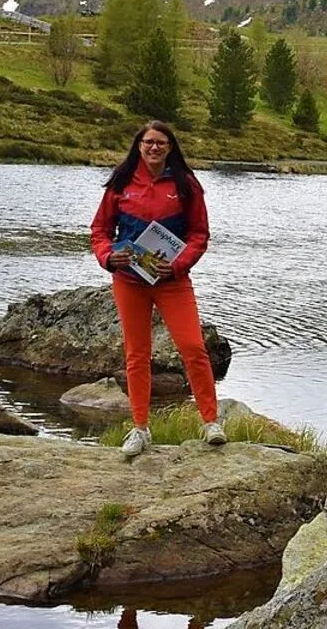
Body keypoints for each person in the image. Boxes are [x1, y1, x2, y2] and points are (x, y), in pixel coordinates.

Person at [91, 121, 225, 456]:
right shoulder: (121, 182)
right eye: (148, 142)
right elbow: (100, 230)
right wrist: (108, 257)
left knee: (193, 347)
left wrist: (178, 264)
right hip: (129, 281)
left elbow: (199, 235)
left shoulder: (186, 184)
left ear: (170, 147)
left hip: (172, 282)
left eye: (161, 143)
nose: (154, 147)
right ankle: (140, 429)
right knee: (137, 355)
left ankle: (211, 422)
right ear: (139, 146)